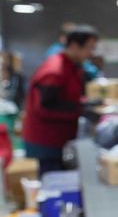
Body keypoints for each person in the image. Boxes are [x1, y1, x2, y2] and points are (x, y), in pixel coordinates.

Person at [24, 26, 100, 175]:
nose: (91, 53)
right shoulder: (54, 70)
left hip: (59, 137)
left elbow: (66, 96)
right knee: (53, 183)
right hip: (47, 139)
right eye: (89, 48)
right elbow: (44, 107)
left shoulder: (70, 66)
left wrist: (84, 104)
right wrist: (80, 111)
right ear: (73, 46)